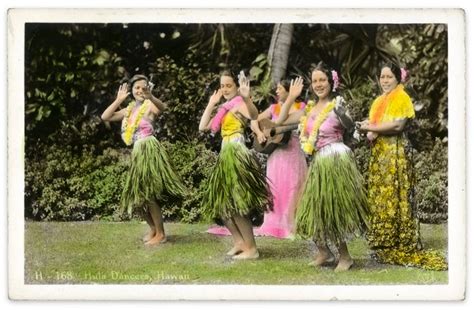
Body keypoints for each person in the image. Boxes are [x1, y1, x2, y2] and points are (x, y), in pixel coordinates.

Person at [278, 62, 368, 272]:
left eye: (322, 80)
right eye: (315, 80)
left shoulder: (337, 106)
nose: (318, 84)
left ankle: (345, 257)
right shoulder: (308, 109)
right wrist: (291, 96)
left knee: (331, 210)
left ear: (331, 82)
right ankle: (324, 252)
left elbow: (352, 131)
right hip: (317, 161)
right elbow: (280, 120)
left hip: (334, 160)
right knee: (305, 207)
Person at [358, 63, 447, 271]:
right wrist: (365, 129)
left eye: (389, 77)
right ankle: (384, 239)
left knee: (397, 193)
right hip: (380, 154)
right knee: (382, 195)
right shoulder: (380, 101)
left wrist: (370, 127)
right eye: (382, 77)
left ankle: (399, 239)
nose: (385, 81)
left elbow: (397, 126)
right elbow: (375, 128)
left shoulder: (401, 98)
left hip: (396, 152)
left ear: (398, 79)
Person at [101, 74, 186, 246]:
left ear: (148, 87)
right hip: (137, 152)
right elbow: (105, 116)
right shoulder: (130, 109)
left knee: (149, 194)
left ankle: (161, 234)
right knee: (137, 197)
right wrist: (119, 100)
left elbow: (163, 108)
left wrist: (151, 97)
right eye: (136, 88)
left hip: (149, 149)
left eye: (143, 87)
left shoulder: (149, 106)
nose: (140, 90)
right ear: (132, 91)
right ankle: (153, 229)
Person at [199, 70, 271, 259]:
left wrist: (246, 98)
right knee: (223, 205)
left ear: (237, 87)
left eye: (228, 85)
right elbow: (202, 127)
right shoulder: (223, 108)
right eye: (222, 86)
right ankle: (240, 242)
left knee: (237, 203)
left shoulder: (239, 104)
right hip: (225, 154)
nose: (225, 89)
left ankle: (252, 248)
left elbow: (254, 115)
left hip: (236, 153)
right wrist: (211, 103)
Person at [251, 79, 308, 239]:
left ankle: (291, 223)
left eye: (280, 88)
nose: (276, 91)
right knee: (275, 187)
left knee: (294, 186)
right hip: (276, 154)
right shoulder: (273, 108)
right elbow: (254, 121)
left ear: (290, 90)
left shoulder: (301, 107)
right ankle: (273, 223)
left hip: (294, 151)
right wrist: (260, 132)